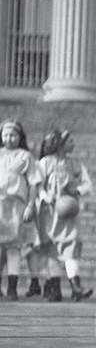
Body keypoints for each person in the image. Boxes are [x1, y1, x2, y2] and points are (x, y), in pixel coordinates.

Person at [34, 129, 94, 302]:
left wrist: (78, 189)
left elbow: (88, 184)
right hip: (48, 213)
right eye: (70, 141)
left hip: (68, 214)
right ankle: (54, 288)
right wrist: (46, 196)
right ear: (59, 144)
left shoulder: (76, 164)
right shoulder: (45, 163)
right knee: (51, 248)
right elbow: (37, 185)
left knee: (70, 247)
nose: (73, 144)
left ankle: (76, 286)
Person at [0, 121, 40, 300]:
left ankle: (12, 288)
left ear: (20, 137)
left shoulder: (24, 156)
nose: (9, 138)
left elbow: (32, 182)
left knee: (13, 248)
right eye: (6, 135)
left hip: (16, 206)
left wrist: (30, 206)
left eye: (13, 135)